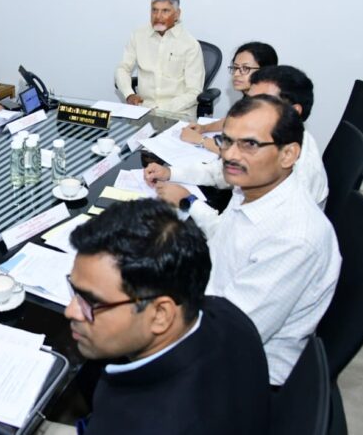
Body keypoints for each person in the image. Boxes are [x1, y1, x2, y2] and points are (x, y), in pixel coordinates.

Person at [56, 199, 269, 434]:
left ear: (160, 314)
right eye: (75, 291)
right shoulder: (227, 315)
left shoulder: (135, 423)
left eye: (91, 301)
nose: (70, 311)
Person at [202, 95, 339, 386]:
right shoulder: (250, 189)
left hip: (243, 376)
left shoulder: (294, 238)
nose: (230, 155)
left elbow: (228, 336)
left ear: (288, 154)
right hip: (211, 314)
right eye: (227, 141)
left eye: (249, 144)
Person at [145, 65, 328, 237]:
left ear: (294, 112)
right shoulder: (266, 142)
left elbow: (228, 238)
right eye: (250, 101)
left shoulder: (296, 176)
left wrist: (189, 201)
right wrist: (170, 173)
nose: (248, 110)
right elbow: (219, 172)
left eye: (263, 103)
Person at [114, 0, 204, 117]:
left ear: (177, 14)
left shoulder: (190, 45)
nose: (158, 16)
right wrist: (129, 94)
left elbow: (194, 92)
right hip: (143, 110)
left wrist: (161, 110)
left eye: (165, 11)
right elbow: (123, 68)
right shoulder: (138, 35)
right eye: (154, 10)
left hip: (178, 113)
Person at [180, 41, 278, 152]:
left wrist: (200, 140)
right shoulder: (252, 98)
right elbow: (233, 120)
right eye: (235, 68)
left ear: (266, 71)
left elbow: (241, 153)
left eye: (245, 68)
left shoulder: (268, 110)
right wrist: (204, 128)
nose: (236, 74)